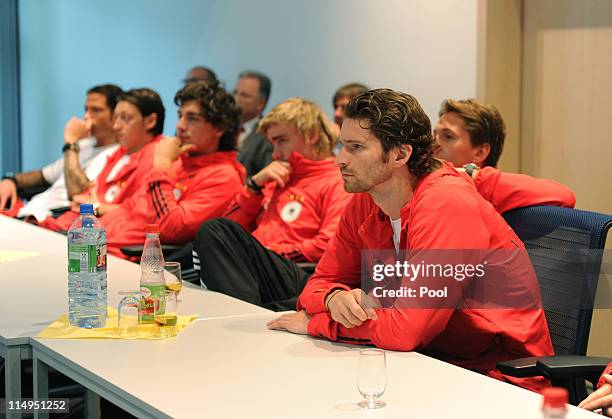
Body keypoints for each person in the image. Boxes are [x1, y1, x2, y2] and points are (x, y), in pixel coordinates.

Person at [267, 88, 554, 393]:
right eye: (342, 146)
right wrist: (333, 299)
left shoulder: (446, 202)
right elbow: (316, 286)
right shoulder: (367, 199)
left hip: (498, 381)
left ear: (400, 155)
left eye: (356, 147)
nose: (341, 159)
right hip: (425, 362)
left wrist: (315, 324)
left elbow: (405, 331)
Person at [194, 98, 350, 310]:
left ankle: (238, 315)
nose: (275, 153)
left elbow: (328, 246)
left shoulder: (336, 182)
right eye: (273, 144)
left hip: (301, 274)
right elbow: (229, 231)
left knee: (213, 230)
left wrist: (267, 251)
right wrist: (253, 186)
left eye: (282, 141)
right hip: (268, 269)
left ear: (311, 136)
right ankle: (237, 316)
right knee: (211, 234)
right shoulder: (278, 177)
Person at [101, 81, 245, 257]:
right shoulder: (179, 163)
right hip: (106, 247)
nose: (180, 126)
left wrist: (161, 165)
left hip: (132, 262)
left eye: (192, 118)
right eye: (180, 116)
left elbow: (171, 229)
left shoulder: (223, 177)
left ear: (219, 128)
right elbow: (130, 208)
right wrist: (91, 237)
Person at [40, 88, 165, 231]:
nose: (116, 126)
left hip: (102, 237)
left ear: (150, 121)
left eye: (125, 118)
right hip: (72, 225)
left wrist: (97, 207)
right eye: (116, 118)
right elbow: (85, 196)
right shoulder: (118, 153)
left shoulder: (158, 159)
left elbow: (141, 213)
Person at [0, 84, 123, 221]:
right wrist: (10, 179)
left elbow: (77, 194)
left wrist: (71, 143)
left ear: (115, 115)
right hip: (30, 212)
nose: (86, 116)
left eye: (96, 110)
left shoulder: (119, 155)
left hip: (58, 222)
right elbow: (42, 175)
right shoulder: (84, 146)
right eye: (86, 109)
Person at [433, 98, 575, 213]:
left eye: (448, 136)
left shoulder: (490, 195)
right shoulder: (432, 189)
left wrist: (473, 176)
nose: (434, 144)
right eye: (434, 135)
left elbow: (564, 195)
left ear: (480, 152)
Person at [234, 70, 273, 176]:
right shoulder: (223, 128)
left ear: (261, 103)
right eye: (235, 92)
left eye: (244, 95)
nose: (236, 99)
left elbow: (267, 179)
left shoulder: (268, 135)